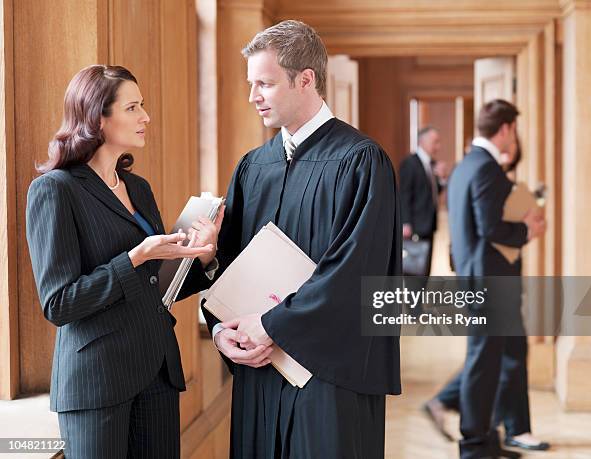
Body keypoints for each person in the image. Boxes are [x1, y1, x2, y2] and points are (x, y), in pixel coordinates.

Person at [201, 20, 401, 459]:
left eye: (265, 84)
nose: (252, 96)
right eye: (251, 83)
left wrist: (272, 325)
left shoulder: (361, 162)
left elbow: (354, 275)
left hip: (328, 375)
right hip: (258, 368)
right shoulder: (254, 166)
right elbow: (230, 265)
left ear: (305, 79)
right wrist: (221, 330)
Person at [26, 65, 223, 459]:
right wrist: (135, 257)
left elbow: (156, 286)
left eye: (143, 105)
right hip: (96, 383)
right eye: (132, 107)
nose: (145, 117)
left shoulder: (137, 187)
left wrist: (202, 256)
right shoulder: (54, 190)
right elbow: (59, 303)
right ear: (98, 118)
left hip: (157, 373)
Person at [425, 99, 546, 459]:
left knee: (498, 359)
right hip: (489, 283)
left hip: (479, 278)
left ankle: (491, 440)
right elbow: (490, 227)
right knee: (483, 363)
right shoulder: (486, 169)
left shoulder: (466, 167)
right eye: (515, 130)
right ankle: (475, 446)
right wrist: (527, 230)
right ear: (506, 129)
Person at [399, 126, 448, 275]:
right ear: (422, 141)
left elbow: (430, 193)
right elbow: (404, 194)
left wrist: (442, 179)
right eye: (435, 142)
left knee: (425, 269)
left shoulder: (431, 164)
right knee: (414, 271)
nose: (438, 147)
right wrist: (405, 223)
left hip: (428, 224)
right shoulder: (410, 163)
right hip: (414, 226)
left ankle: (421, 296)